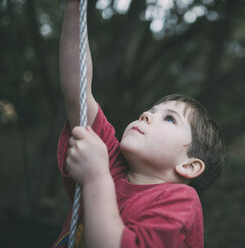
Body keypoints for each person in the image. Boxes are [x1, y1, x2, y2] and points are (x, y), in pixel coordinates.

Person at [53, 1, 225, 247]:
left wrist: (95, 178)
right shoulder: (112, 163)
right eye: (150, 111)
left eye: (169, 118)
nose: (146, 115)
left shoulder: (179, 201)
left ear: (188, 165)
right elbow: (76, 92)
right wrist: (74, 8)